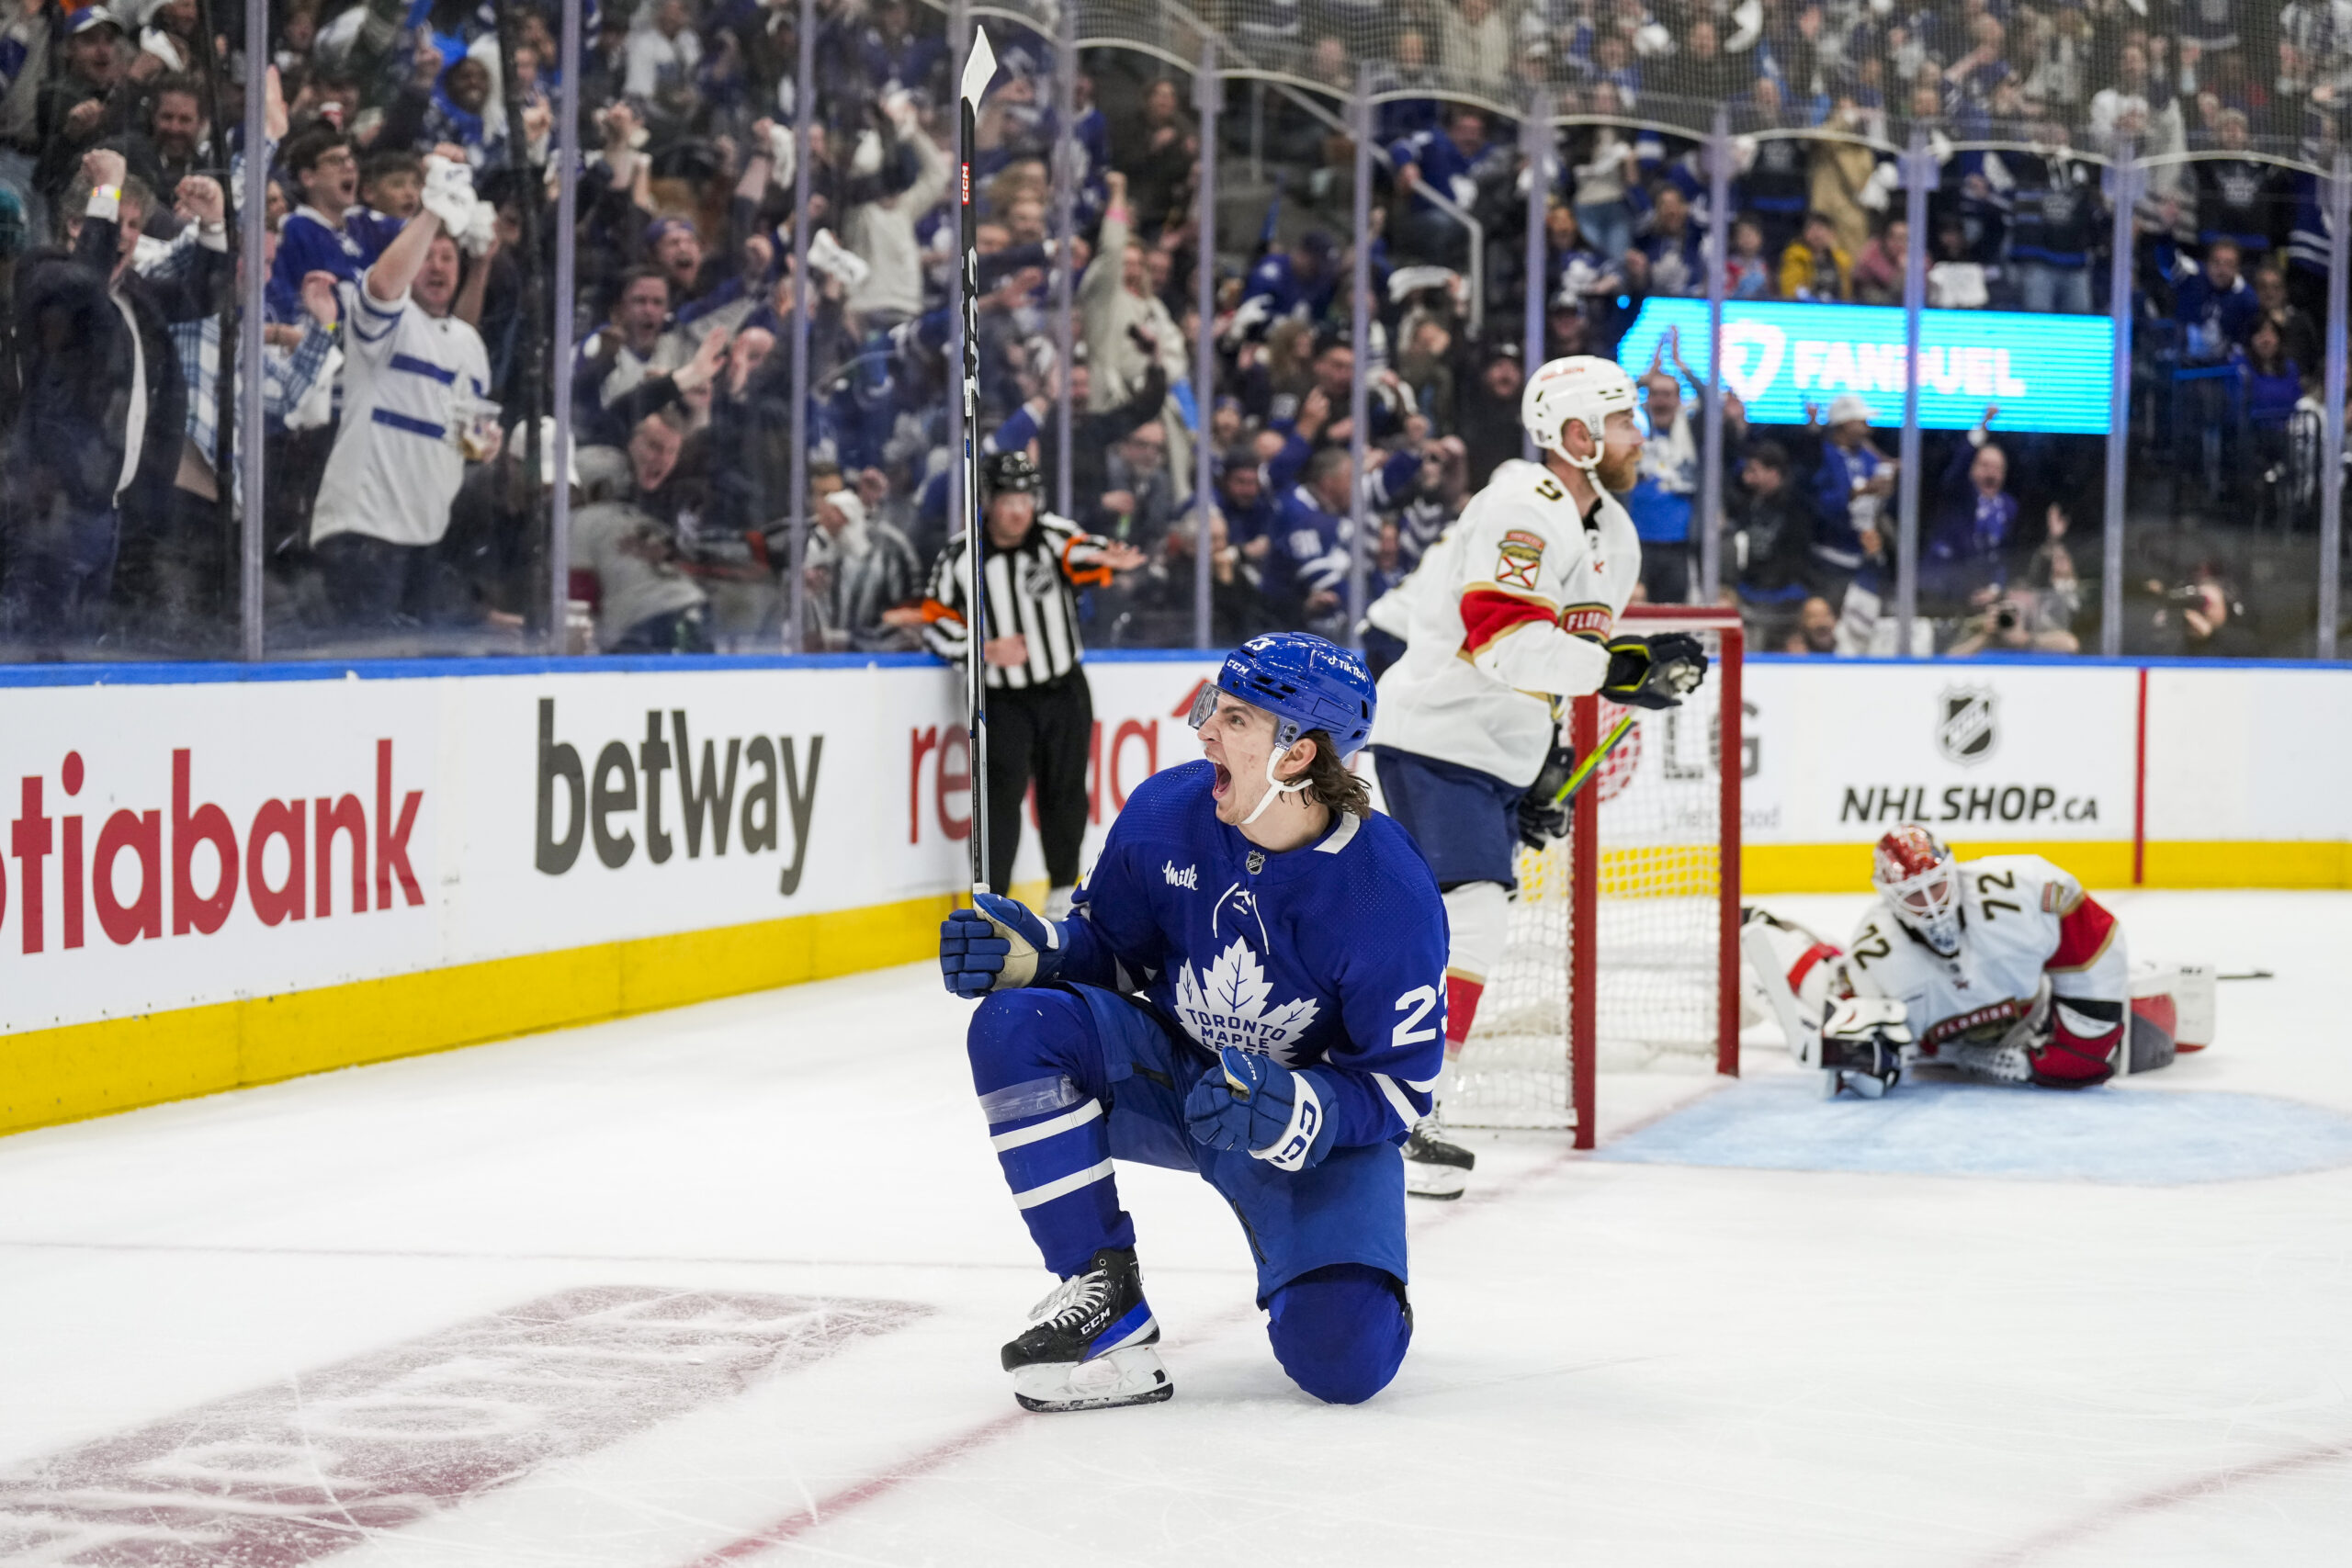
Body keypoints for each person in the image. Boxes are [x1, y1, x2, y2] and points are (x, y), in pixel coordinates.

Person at [936, 634, 1444, 1412]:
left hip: (1306, 1131)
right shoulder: (1165, 813)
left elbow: (1401, 1090)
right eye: (1215, 706)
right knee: (1018, 1023)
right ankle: (1103, 1293)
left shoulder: (1390, 896)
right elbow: (1116, 954)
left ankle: (1358, 1278)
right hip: (1179, 1080)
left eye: (1235, 719)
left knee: (1346, 1361)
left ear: (1299, 754)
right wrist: (1039, 954)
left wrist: (1295, 1108)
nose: (1204, 728)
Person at [1361, 356, 1708, 1197]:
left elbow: (1560, 666)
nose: (1641, 434)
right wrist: (1624, 670)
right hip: (1437, 732)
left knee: (1430, 927)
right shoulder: (1522, 507)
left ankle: (1373, 1092)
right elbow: (1503, 641)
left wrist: (1545, 765)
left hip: (1490, 749)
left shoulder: (1614, 535)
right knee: (1472, 920)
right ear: (1578, 437)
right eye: (1624, 422)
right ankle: (1408, 1113)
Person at [1744, 827, 2165, 1098]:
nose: (1932, 907)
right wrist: (1862, 1058)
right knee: (1823, 989)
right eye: (1914, 896)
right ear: (1888, 898)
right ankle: (1772, 930)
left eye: (1938, 887)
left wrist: (2041, 1063)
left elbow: (2093, 943)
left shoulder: (2022, 891)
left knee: (2137, 1039)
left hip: (2032, 1023)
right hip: (1936, 1051)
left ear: (1953, 869)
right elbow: (1876, 1063)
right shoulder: (1875, 954)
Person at [921, 450, 1144, 909]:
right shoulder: (962, 555)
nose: (1019, 509)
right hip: (999, 700)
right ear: (988, 500)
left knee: (1064, 793)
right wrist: (982, 649)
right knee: (997, 802)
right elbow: (933, 622)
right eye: (1008, 498)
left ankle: (1063, 893)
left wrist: (1110, 556)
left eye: (1026, 497)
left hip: (1062, 690)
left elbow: (1081, 551)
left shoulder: (1052, 536)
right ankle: (991, 903)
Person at [306, 157, 497, 631]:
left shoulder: (469, 344)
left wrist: (484, 445)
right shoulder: (388, 318)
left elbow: (469, 437)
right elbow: (386, 284)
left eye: (447, 257)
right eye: (426, 255)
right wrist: (431, 213)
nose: (437, 266)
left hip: (429, 536)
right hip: (365, 530)